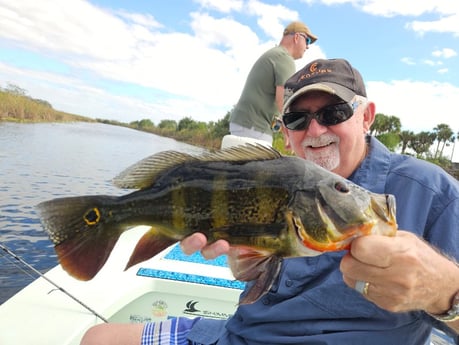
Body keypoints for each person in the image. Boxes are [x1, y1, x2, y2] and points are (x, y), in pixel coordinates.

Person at [81, 58, 459, 345]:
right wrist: (247, 262)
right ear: (284, 131)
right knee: (97, 338)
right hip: (242, 335)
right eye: (297, 118)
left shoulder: (430, 191)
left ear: (366, 117)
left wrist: (444, 292)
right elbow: (256, 276)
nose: (315, 130)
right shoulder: (278, 176)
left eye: (334, 113)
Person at [228, 20, 317, 145]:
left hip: (246, 124)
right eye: (307, 41)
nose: (307, 47)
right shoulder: (285, 58)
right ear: (297, 37)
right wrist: (290, 132)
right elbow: (283, 100)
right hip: (254, 127)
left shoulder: (276, 55)